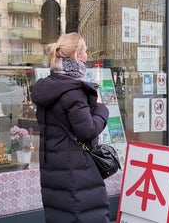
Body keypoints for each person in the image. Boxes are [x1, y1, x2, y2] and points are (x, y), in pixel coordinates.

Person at [31, 32, 110, 222]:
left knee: (61, 216)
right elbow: (88, 131)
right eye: (85, 52)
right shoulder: (74, 91)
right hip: (77, 169)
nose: (87, 57)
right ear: (76, 55)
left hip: (53, 169)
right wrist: (101, 107)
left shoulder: (47, 86)